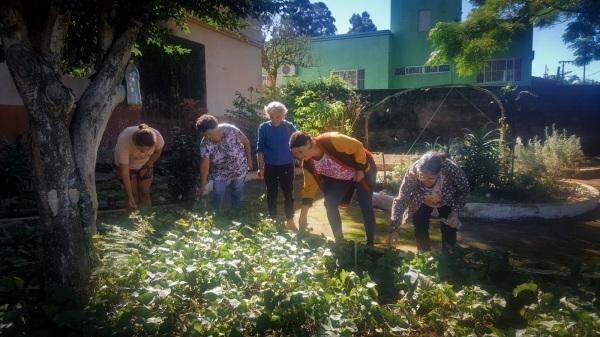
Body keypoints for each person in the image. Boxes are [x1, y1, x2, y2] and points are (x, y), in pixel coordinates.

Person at [289, 131, 377, 246]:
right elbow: (309, 188)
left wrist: (360, 169)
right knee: (329, 203)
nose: (299, 156)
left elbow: (358, 146)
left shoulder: (332, 140)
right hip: (341, 177)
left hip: (363, 169)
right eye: (296, 154)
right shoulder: (308, 163)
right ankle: (339, 240)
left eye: (300, 151)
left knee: (365, 205)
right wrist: (303, 216)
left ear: (309, 143)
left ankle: (370, 244)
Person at [388, 151, 470, 254]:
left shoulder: (451, 169)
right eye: (422, 177)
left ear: (439, 173)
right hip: (421, 200)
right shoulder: (413, 172)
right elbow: (401, 199)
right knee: (420, 227)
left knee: (449, 229)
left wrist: (455, 212)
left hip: (447, 200)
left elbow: (464, 191)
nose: (426, 182)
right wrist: (394, 229)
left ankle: (449, 257)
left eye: (431, 179)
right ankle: (424, 257)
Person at [196, 114, 252, 212]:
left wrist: (249, 160)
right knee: (217, 193)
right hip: (220, 171)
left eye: (209, 133)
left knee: (237, 191)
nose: (208, 137)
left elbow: (246, 142)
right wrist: (203, 185)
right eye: (205, 135)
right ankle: (217, 216)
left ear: (216, 127)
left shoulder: (231, 130)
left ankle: (236, 213)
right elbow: (205, 166)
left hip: (239, 167)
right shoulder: (205, 144)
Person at [256, 102, 298, 230]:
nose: (275, 120)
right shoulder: (263, 127)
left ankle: (290, 220)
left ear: (283, 115)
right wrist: (260, 167)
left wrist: (297, 164)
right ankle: (272, 219)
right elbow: (260, 149)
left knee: (288, 193)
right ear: (268, 115)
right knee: (272, 193)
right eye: (272, 117)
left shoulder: (289, 127)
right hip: (270, 167)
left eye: (278, 117)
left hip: (286, 166)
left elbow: (298, 145)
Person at [114, 123, 165, 211]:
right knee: (133, 195)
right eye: (141, 150)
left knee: (145, 192)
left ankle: (147, 219)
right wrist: (130, 196)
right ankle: (132, 222)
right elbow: (125, 173)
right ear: (135, 144)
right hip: (127, 166)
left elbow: (157, 152)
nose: (144, 153)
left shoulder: (157, 137)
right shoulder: (124, 143)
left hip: (145, 164)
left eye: (148, 150)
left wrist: (147, 165)